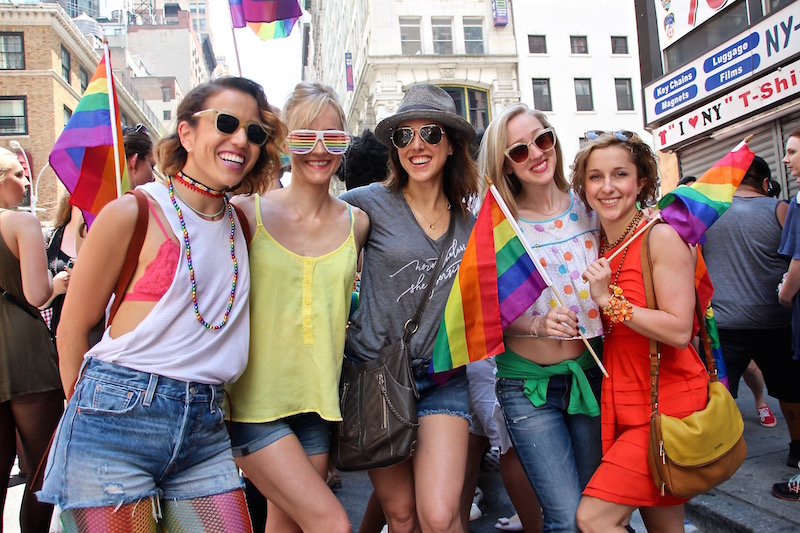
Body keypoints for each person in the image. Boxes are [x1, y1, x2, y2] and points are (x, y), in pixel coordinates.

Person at [37, 77, 284, 531]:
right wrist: (88, 415)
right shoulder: (132, 211)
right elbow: (72, 328)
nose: (240, 140)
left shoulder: (242, 224)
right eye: (226, 123)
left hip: (205, 428)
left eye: (254, 132)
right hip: (114, 420)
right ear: (186, 134)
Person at [227, 81, 368, 533]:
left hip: (318, 404)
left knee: (284, 524)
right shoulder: (245, 213)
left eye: (334, 138)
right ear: (286, 141)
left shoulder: (357, 223)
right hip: (251, 405)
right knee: (331, 524)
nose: (320, 150)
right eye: (305, 137)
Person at [340, 83, 479, 533]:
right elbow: (308, 234)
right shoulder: (365, 204)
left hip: (442, 377)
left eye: (430, 133)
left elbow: (486, 300)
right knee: (401, 516)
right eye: (404, 135)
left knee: (440, 514)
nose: (416, 145)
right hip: (375, 375)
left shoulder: (471, 224)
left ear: (453, 144)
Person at [573, 131, 709, 532]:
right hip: (623, 402)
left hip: (665, 404)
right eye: (595, 177)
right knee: (666, 526)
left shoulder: (660, 236)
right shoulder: (595, 244)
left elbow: (680, 329)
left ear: (642, 181)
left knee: (593, 519)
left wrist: (608, 300)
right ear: (583, 186)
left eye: (620, 174)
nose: (608, 187)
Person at [477, 103, 603, 532]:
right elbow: (481, 312)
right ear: (505, 166)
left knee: (595, 513)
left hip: (590, 377)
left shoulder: (592, 210)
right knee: (566, 519)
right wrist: (536, 324)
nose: (536, 153)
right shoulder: (499, 227)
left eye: (542, 138)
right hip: (526, 388)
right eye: (518, 150)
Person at [703, 156, 800, 435]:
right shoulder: (782, 209)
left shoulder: (710, 213)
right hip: (777, 321)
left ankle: (716, 454)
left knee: (716, 396)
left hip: (724, 325)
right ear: (766, 183)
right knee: (791, 391)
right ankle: (796, 450)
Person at [0, 148, 62, 532]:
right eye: (21, 175)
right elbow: (37, 294)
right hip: (23, 350)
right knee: (42, 467)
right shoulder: (20, 223)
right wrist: (57, 285)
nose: (26, 183)